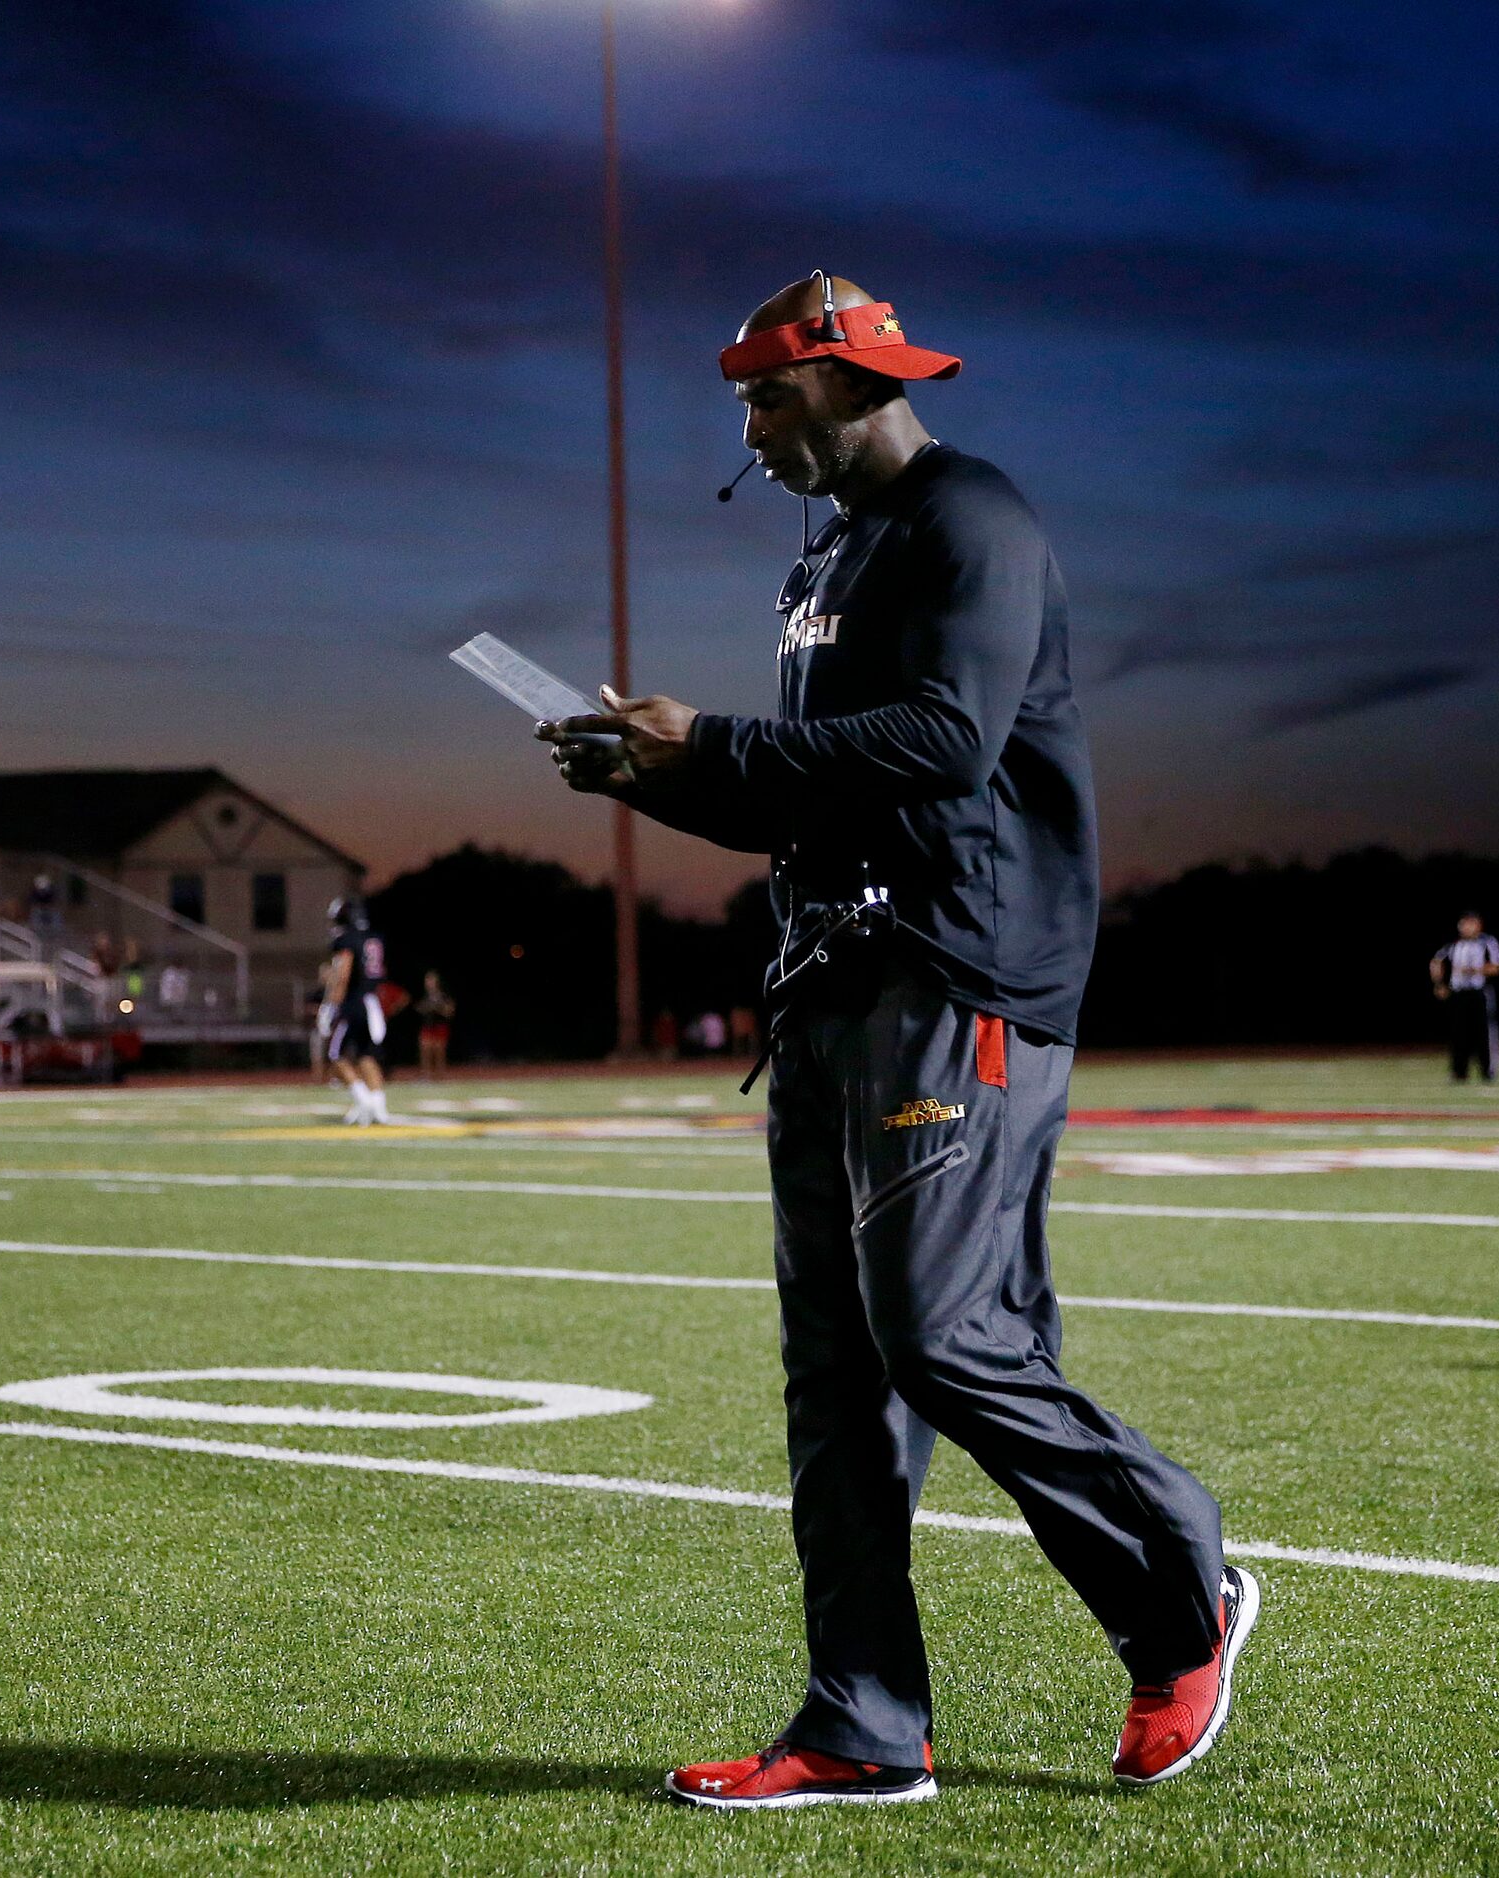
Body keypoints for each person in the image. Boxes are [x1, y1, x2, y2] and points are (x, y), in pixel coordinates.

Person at [543, 273, 1251, 1808]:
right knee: (838, 1376)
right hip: (832, 981)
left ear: (853, 385)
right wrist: (650, 776)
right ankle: (862, 1721)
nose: (747, 429)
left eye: (767, 400)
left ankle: (1178, 1583)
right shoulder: (828, 555)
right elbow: (812, 784)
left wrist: (714, 738)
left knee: (938, 1330)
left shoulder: (967, 519)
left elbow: (946, 745)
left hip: (959, 972)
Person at [317, 896, 392, 1125]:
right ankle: (379, 1107)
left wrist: (330, 1005)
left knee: (334, 1054)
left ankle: (364, 1100)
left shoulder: (346, 940)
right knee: (366, 1055)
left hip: (354, 1003)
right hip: (372, 1002)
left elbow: (343, 975)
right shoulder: (374, 938)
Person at [1429, 911, 1499, 1083]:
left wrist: (1475, 970)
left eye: (1471, 923)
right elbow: (1436, 962)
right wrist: (1440, 984)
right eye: (1464, 923)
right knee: (1458, 1033)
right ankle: (1458, 1072)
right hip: (1458, 993)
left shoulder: (1487, 942)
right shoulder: (1454, 944)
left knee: (1483, 1033)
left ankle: (1488, 1071)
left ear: (1479, 925)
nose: (1467, 927)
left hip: (1479, 993)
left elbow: (1496, 966)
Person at [414, 969, 455, 1078]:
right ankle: (425, 1075)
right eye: (427, 980)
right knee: (425, 1050)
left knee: (439, 1051)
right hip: (427, 1025)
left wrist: (439, 1007)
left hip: (440, 1026)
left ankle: (440, 1075)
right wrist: (427, 1007)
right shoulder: (423, 994)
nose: (429, 983)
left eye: (431, 980)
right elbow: (417, 1008)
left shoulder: (444, 994)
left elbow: (450, 1011)